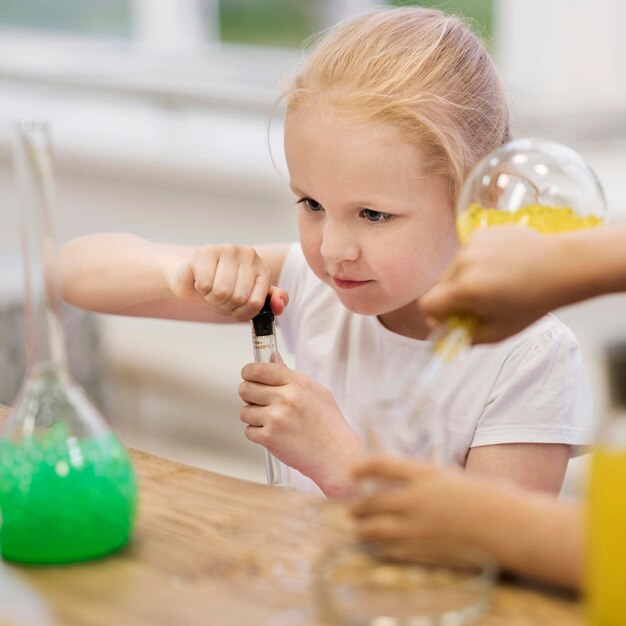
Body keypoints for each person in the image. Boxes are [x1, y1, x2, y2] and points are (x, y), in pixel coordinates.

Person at [60, 7, 592, 498]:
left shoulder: (529, 358)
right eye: (311, 203)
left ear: (478, 198)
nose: (333, 249)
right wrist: (181, 272)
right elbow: (76, 272)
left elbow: (498, 556)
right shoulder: (306, 285)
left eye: (373, 215)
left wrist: (341, 461)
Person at [351, 222, 626, 589]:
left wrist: (495, 527)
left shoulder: (537, 350)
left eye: (374, 214)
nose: (337, 250)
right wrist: (571, 261)